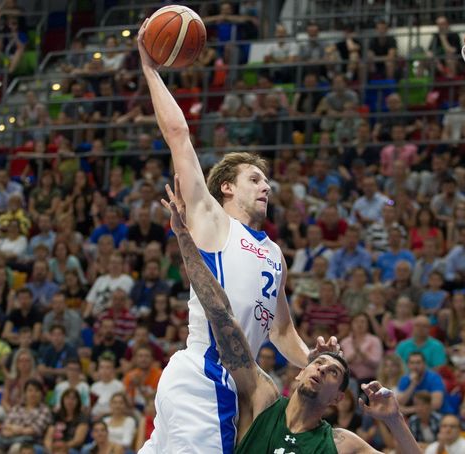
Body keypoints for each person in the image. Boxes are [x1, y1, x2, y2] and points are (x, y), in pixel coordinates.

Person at [137, 20, 334, 453]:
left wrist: (318, 360)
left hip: (220, 383)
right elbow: (179, 136)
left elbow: (282, 332)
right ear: (227, 187)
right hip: (207, 375)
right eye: (254, 178)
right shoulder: (212, 220)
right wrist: (151, 70)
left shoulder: (275, 254)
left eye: (267, 181)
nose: (266, 186)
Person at [162, 183, 422, 454]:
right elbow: (221, 316)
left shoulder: (340, 443)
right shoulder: (263, 398)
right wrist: (183, 236)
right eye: (318, 363)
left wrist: (395, 419)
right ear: (300, 373)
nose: (321, 369)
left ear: (337, 398)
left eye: (333, 372)